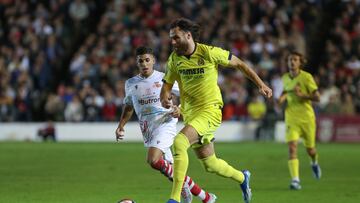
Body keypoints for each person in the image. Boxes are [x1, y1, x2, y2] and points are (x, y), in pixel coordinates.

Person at [160, 18, 272, 203]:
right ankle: (243, 178)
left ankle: (174, 199)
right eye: (171, 38)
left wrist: (260, 84)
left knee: (179, 142)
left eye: (176, 38)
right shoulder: (174, 59)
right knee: (210, 164)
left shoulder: (209, 52)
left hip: (210, 111)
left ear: (188, 36)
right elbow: (167, 84)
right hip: (191, 114)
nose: (172, 42)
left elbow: (240, 64)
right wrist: (165, 97)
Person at [115, 46, 217, 203]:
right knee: (173, 172)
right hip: (148, 129)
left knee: (153, 160)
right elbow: (129, 106)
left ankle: (183, 189)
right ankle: (206, 197)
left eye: (147, 60)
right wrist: (121, 125)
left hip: (165, 122)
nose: (144, 63)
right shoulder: (130, 83)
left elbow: (187, 95)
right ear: (137, 62)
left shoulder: (164, 78)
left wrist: (180, 109)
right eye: (140, 61)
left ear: (153, 61)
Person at [278, 51, 321, 190]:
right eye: (290, 60)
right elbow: (285, 91)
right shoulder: (285, 77)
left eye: (295, 60)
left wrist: (302, 95)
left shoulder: (307, 77)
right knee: (292, 148)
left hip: (307, 118)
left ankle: (314, 163)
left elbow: (317, 97)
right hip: (291, 117)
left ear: (300, 62)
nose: (292, 62)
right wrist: (280, 99)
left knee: (311, 150)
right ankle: (295, 180)